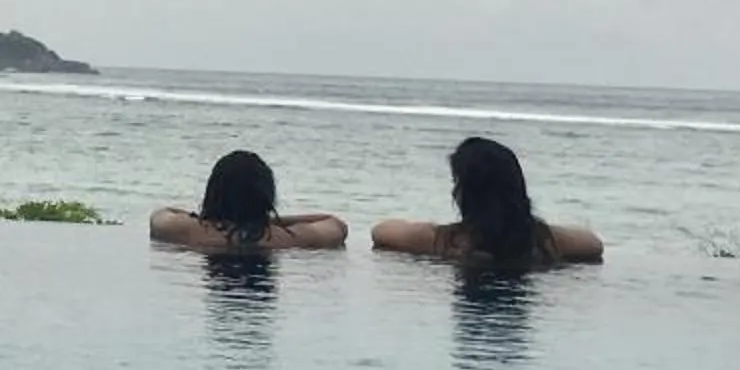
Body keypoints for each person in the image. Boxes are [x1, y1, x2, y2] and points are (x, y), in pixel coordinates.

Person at [371, 136, 605, 268]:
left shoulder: (444, 241)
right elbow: (593, 244)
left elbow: (381, 231)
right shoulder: (543, 242)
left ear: (463, 192)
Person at [148, 149, 349, 253]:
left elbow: (161, 214)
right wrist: (269, 220)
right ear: (266, 195)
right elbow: (335, 224)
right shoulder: (288, 238)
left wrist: (209, 217)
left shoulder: (186, 230)